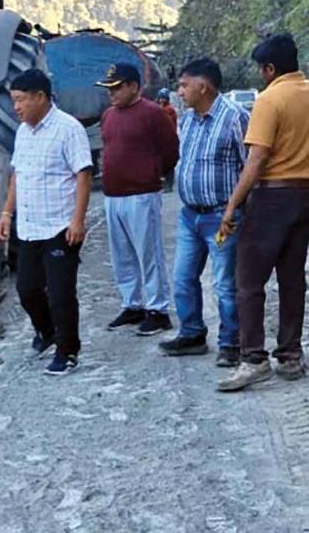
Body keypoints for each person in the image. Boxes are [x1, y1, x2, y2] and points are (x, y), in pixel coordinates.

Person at [217, 34, 309, 392]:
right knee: (291, 277)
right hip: (305, 196)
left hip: (273, 197)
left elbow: (256, 161)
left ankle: (253, 358)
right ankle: (290, 355)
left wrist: (232, 205)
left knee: (249, 280)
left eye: (261, 70)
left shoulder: (270, 100)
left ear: (270, 68)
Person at [0, 69, 93, 376]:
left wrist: (78, 220)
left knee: (61, 293)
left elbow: (83, 175)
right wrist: (6, 213)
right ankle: (47, 332)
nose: (17, 107)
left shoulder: (69, 129)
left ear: (40, 97)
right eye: (14, 101)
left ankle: (68, 351)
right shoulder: (23, 131)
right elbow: (17, 175)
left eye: (21, 100)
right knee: (27, 289)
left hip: (59, 227)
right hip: (29, 227)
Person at [159, 58, 248, 367]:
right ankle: (193, 333)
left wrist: (236, 210)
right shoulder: (188, 120)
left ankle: (231, 343)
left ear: (203, 85)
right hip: (190, 216)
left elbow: (250, 167)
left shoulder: (235, 118)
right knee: (183, 277)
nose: (179, 92)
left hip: (222, 217)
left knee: (224, 283)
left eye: (184, 85)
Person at [98, 63, 179, 335]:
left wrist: (153, 174)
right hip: (113, 195)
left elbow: (170, 151)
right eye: (109, 88)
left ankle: (157, 309)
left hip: (142, 194)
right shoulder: (108, 116)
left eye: (116, 87)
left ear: (134, 86)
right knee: (122, 255)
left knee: (149, 253)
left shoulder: (153, 114)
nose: (111, 93)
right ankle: (132, 304)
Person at [156, 87, 177, 191]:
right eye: (160, 98)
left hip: (168, 140)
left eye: (163, 98)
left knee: (168, 163)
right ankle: (164, 184)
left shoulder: (169, 110)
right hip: (161, 140)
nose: (161, 100)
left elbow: (169, 125)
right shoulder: (161, 108)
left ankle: (169, 185)